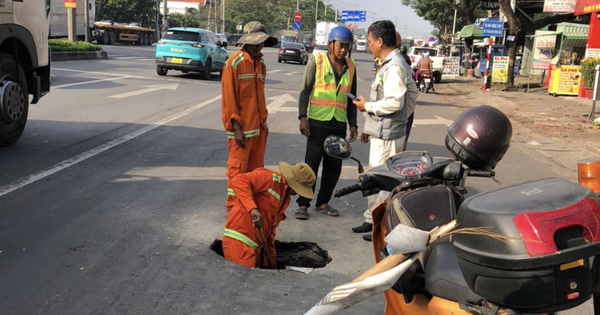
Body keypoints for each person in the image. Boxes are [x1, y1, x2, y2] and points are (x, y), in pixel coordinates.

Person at [352, 20, 418, 241]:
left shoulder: (395, 67)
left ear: (380, 41)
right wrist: (371, 123)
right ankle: (371, 219)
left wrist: (367, 107)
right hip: (383, 130)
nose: (368, 45)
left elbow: (395, 103)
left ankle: (380, 225)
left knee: (383, 181)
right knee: (375, 176)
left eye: (369, 41)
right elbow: (412, 95)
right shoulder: (389, 63)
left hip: (389, 134)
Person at [296, 26, 358, 220]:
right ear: (331, 44)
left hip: (338, 123)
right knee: (311, 165)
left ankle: (323, 202)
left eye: (347, 46)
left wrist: (353, 123)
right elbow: (305, 90)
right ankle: (303, 204)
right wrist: (302, 118)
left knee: (333, 167)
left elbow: (351, 97)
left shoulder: (351, 66)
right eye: (340, 45)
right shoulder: (317, 61)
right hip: (317, 122)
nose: (343, 50)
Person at [221, 22, 277, 212]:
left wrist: (264, 124)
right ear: (246, 42)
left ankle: (249, 208)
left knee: (255, 174)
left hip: (259, 131)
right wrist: (237, 129)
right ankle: (234, 209)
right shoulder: (234, 63)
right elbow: (230, 100)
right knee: (238, 172)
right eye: (256, 43)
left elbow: (259, 97)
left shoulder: (261, 64)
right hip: (241, 132)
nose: (259, 46)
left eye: (261, 42)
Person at [223, 162, 316, 268]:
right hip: (238, 243)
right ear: (293, 183)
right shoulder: (268, 177)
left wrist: (270, 262)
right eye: (300, 189)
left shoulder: (284, 198)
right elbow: (239, 180)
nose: (299, 194)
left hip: (255, 247)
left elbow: (270, 232)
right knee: (244, 281)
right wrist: (252, 209)